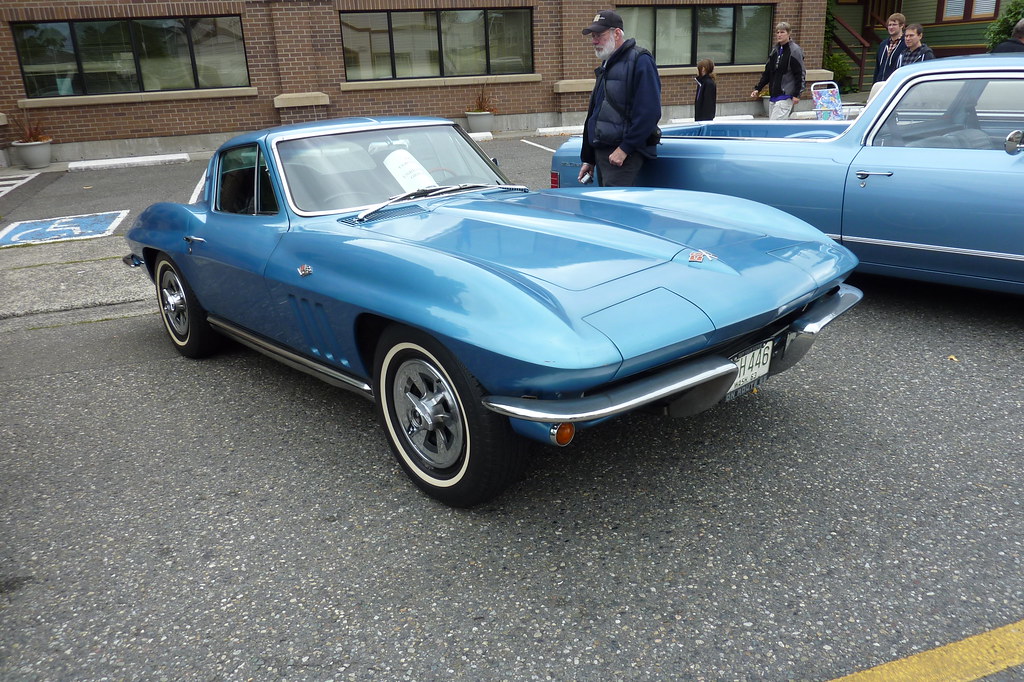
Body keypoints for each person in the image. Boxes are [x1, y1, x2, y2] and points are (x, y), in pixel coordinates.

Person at [578, 10, 662, 187]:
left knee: (613, 212)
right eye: (593, 36)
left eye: (599, 35)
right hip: (605, 153)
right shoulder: (607, 64)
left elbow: (649, 112)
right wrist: (589, 158)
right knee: (606, 210)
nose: (594, 41)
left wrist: (625, 149)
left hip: (623, 156)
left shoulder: (640, 60)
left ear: (616, 33)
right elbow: (596, 112)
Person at [750, 22, 805, 120]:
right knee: (776, 126)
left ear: (789, 33)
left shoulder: (795, 51)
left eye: (782, 32)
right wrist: (758, 88)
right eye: (777, 32)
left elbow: (800, 73)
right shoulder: (775, 50)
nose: (779, 35)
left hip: (786, 94)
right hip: (774, 94)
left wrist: (797, 94)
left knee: (774, 125)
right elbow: (768, 72)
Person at [874, 13, 908, 82]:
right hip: (881, 84)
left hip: (896, 84)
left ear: (902, 26)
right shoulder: (883, 44)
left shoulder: (906, 44)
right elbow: (877, 68)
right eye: (889, 25)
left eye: (894, 25)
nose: (891, 27)